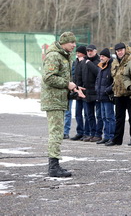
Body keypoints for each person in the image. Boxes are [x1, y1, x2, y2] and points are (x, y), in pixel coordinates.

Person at [41, 31, 84, 177]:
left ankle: (55, 164)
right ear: (64, 42)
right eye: (72, 42)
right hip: (53, 101)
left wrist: (73, 88)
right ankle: (53, 167)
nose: (74, 45)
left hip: (59, 99)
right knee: (56, 133)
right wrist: (68, 84)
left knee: (57, 133)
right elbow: (48, 77)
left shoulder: (63, 56)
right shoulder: (54, 56)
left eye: (75, 43)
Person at [106, 42, 131, 146]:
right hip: (118, 94)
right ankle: (117, 140)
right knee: (119, 118)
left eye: (121, 50)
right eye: (117, 51)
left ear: (125, 50)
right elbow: (113, 78)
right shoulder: (114, 62)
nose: (119, 52)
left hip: (130, 93)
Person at [81, 44, 103, 142]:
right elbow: (80, 75)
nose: (89, 52)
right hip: (87, 92)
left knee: (99, 115)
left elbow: (98, 72)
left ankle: (98, 134)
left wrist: (89, 63)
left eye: (91, 51)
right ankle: (92, 133)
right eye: (88, 51)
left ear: (95, 51)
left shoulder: (99, 61)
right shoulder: (84, 62)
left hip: (96, 92)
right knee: (89, 115)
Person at [95, 48, 116, 145]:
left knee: (110, 117)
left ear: (107, 57)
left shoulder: (112, 66)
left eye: (103, 56)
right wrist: (97, 89)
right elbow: (98, 80)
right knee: (103, 117)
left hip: (108, 97)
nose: (101, 58)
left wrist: (106, 91)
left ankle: (112, 137)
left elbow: (114, 82)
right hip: (100, 96)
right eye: (101, 56)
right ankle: (106, 136)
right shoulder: (100, 66)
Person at [70, 45, 89, 141]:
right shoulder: (75, 62)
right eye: (76, 53)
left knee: (87, 113)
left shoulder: (86, 62)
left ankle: (87, 132)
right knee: (78, 113)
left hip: (84, 90)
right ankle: (80, 132)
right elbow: (74, 75)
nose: (77, 54)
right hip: (77, 90)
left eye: (79, 53)